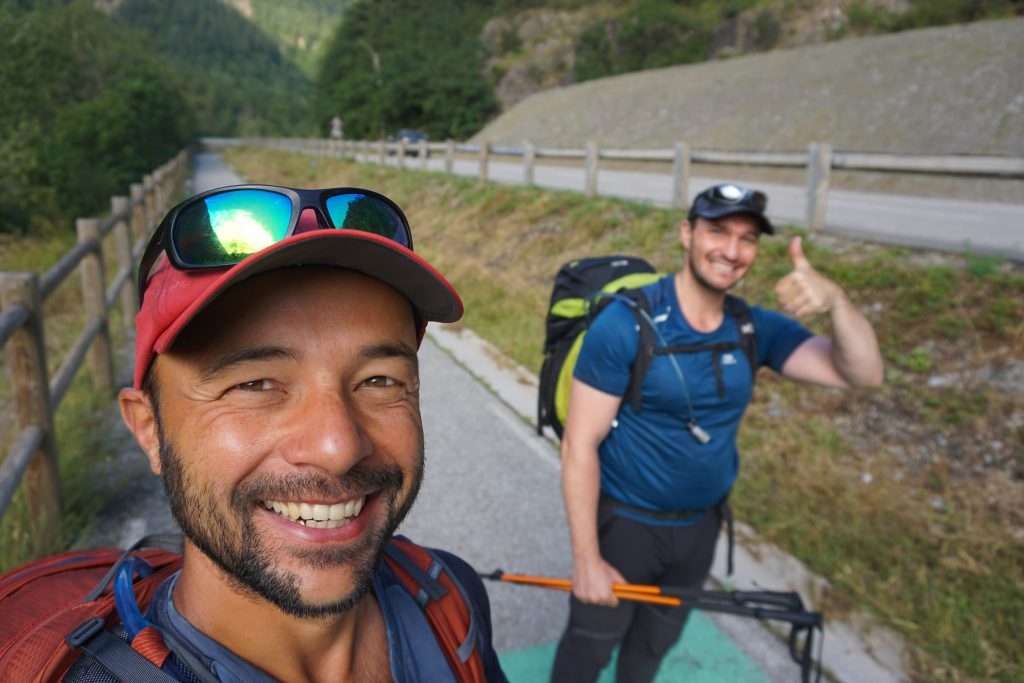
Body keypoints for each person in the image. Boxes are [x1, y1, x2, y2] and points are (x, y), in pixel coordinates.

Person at [72, 185, 507, 681]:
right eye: (255, 384)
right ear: (149, 429)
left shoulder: (452, 599)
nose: (337, 448)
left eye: (379, 381)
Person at [551, 183, 883, 683]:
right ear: (687, 233)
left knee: (652, 646)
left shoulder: (752, 327)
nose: (732, 250)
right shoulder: (626, 324)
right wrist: (587, 559)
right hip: (626, 526)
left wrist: (837, 301)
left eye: (747, 239)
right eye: (718, 231)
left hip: (701, 528)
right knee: (589, 649)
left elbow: (862, 374)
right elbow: (580, 445)